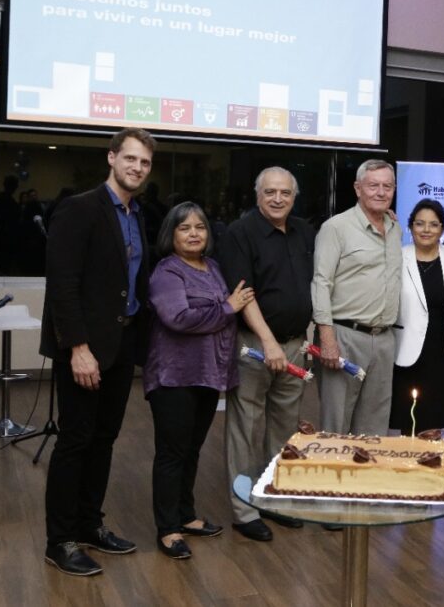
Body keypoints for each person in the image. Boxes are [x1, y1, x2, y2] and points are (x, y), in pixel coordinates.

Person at [40, 127, 155, 577]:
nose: (137, 168)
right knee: (75, 441)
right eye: (130, 159)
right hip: (85, 348)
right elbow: (63, 285)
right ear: (111, 158)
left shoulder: (135, 214)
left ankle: (89, 525)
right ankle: (60, 540)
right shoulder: (80, 208)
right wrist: (78, 348)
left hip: (121, 344)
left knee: (104, 440)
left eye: (144, 163)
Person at [144, 202, 254, 559]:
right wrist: (227, 308)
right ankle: (167, 529)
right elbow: (178, 318)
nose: (194, 234)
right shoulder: (167, 272)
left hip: (208, 374)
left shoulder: (214, 267)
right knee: (172, 454)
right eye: (184, 228)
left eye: (200, 227)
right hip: (174, 377)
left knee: (191, 450)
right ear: (171, 235)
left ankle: (186, 515)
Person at [218, 167, 316, 542]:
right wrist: (269, 342)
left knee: (284, 431)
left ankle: (275, 498)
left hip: (295, 345)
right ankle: (244, 510)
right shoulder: (239, 234)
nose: (278, 199)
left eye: (285, 193)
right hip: (256, 346)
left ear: (294, 197)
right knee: (244, 429)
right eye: (270, 192)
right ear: (258, 195)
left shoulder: (305, 231)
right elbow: (244, 294)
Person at [311, 159, 402, 436]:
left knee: (374, 426)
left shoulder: (395, 228)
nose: (381, 192)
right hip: (344, 336)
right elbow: (320, 283)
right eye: (373, 185)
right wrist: (327, 339)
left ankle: (365, 479)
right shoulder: (336, 228)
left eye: (387, 186)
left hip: (385, 339)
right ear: (357, 188)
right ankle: (333, 478)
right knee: (336, 424)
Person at [391, 199, 444, 433]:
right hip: (407, 350)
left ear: (443, 228)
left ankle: (431, 467)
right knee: (406, 418)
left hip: (442, 350)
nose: (426, 230)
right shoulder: (398, 257)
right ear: (410, 227)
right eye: (420, 224)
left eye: (433, 224)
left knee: (435, 417)